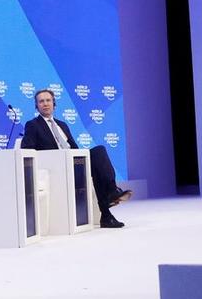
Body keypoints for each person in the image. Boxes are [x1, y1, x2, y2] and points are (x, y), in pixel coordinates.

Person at [20, 89, 132, 228]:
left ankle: (111, 194)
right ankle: (108, 209)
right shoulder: (32, 125)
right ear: (36, 106)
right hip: (56, 167)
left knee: (99, 152)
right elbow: (27, 149)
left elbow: (74, 147)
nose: (45, 104)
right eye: (41, 101)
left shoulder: (62, 125)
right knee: (96, 169)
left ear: (54, 103)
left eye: (48, 100)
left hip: (73, 162)